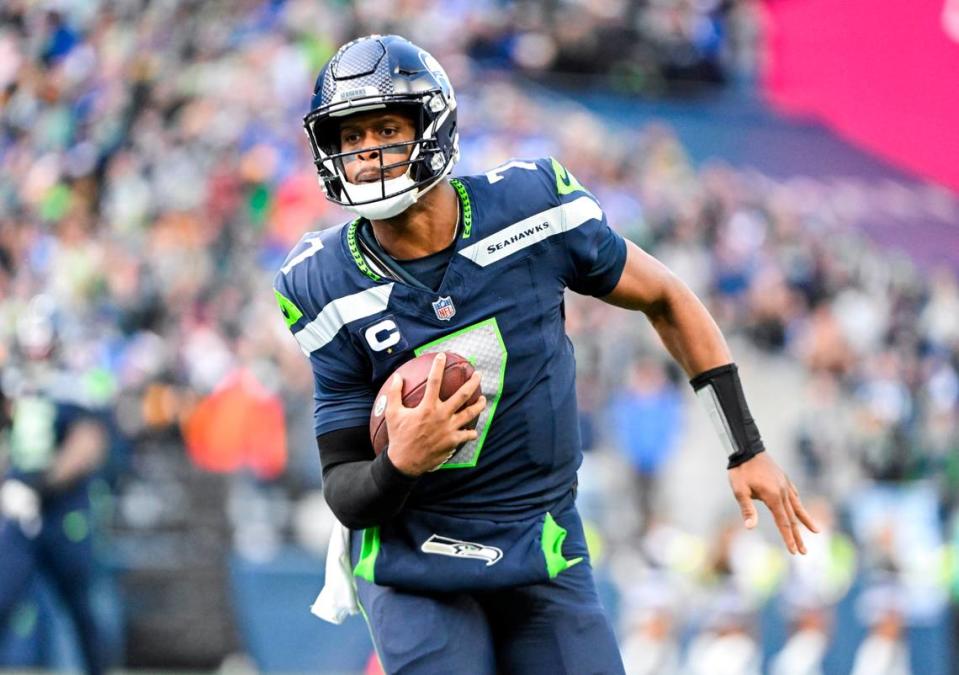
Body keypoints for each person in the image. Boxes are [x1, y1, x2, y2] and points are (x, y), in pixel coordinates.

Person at [273, 34, 818, 674]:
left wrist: (745, 445)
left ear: (433, 126)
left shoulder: (531, 207)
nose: (367, 154)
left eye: (386, 128)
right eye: (350, 137)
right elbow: (344, 487)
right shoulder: (321, 281)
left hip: (540, 541)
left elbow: (666, 297)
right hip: (413, 560)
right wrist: (401, 461)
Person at [0, 296, 111, 675]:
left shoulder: (75, 384)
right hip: (18, 512)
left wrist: (38, 485)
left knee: (80, 607)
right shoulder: (14, 384)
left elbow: (87, 447)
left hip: (63, 512)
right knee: (2, 598)